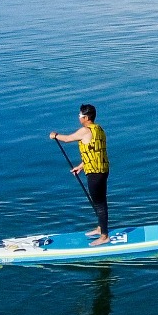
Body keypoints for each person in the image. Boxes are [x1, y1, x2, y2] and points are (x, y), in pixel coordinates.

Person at [49, 104, 112, 246]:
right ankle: (100, 228)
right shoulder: (99, 129)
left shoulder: (85, 131)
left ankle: (104, 236)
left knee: (100, 204)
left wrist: (55, 135)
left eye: (80, 116)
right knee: (100, 201)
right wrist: (81, 167)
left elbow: (67, 139)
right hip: (102, 169)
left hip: (95, 173)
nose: (79, 118)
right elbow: (95, 151)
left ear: (86, 117)